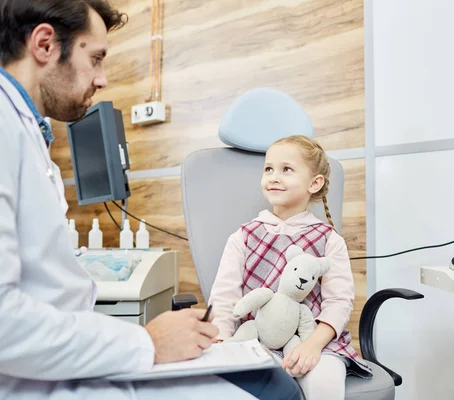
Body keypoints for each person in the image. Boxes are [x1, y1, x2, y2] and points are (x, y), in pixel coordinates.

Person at [0, 1, 301, 399]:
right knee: (270, 390)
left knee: (269, 380)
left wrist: (150, 339)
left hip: (64, 362)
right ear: (44, 44)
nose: (103, 79)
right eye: (96, 59)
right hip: (36, 380)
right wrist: (147, 343)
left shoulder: (26, 131)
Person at [209, 135, 373, 400]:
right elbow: (224, 298)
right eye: (268, 169)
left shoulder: (329, 240)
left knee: (325, 382)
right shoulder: (243, 237)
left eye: (286, 169)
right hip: (256, 340)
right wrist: (219, 344)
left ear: (314, 183)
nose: (274, 176)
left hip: (315, 340)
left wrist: (312, 345)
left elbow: (339, 301)